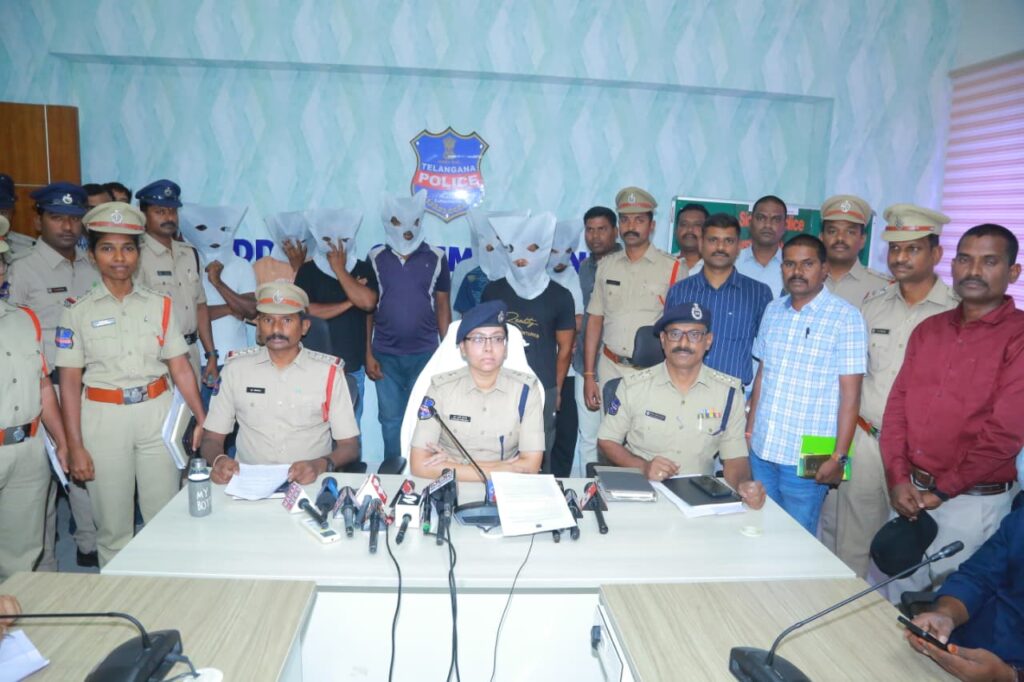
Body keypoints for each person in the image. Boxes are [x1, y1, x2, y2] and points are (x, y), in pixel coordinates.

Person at [55, 202, 206, 566]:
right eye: (108, 248)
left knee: (164, 519)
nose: (119, 258)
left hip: (157, 416)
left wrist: (202, 418)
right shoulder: (77, 310)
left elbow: (180, 366)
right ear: (92, 255)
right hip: (103, 419)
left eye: (127, 248)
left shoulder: (160, 306)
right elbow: (69, 382)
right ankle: (119, 595)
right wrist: (74, 445)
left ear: (138, 255)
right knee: (113, 529)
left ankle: (163, 592)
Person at [882, 223, 1023, 592]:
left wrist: (941, 491)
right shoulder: (929, 329)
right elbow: (896, 409)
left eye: (989, 261)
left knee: (952, 609)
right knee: (893, 603)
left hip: (970, 506)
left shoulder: (1019, 336)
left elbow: (1004, 434)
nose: (973, 270)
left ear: (1013, 272)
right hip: (909, 495)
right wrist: (898, 478)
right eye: (964, 259)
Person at [822, 204, 958, 578]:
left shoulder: (956, 312)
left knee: (914, 557)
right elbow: (847, 379)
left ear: (936, 254)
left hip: (922, 453)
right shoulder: (873, 305)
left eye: (912, 248)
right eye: (895, 248)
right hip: (866, 440)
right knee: (850, 545)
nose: (900, 257)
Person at [745, 234, 866, 533]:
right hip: (763, 447)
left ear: (824, 269)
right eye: (789, 264)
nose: (797, 271)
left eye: (807, 264)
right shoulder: (773, 310)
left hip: (809, 457)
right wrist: (750, 429)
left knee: (797, 538)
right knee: (759, 529)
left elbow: (851, 397)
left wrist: (839, 457)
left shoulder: (846, 317)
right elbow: (763, 374)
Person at [7, 182, 100, 569]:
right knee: (41, 488)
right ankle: (41, 569)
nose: (67, 226)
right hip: (46, 390)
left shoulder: (92, 266)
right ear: (37, 221)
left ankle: (89, 543)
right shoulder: (21, 270)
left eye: (74, 219)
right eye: (57, 217)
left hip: (90, 385)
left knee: (86, 466)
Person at [597, 302, 766, 508]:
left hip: (699, 497)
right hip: (642, 492)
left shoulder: (728, 393)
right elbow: (607, 440)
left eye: (694, 335)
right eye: (675, 334)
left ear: (708, 341)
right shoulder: (633, 386)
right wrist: (643, 467)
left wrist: (743, 484)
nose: (684, 343)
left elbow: (735, 458)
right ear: (663, 339)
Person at [201, 281, 360, 484]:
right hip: (249, 484)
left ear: (304, 327)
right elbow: (211, 439)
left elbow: (350, 446)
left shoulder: (328, 373)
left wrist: (321, 465)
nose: (276, 328)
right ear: (258, 326)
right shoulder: (235, 370)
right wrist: (219, 460)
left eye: (286, 320)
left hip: (309, 482)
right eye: (268, 320)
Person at [0, 224, 69, 579]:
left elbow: (44, 386)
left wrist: (61, 442)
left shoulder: (25, 319)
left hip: (28, 450)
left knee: (22, 556)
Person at [409, 301, 544, 481]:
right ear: (463, 348)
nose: (488, 348)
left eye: (497, 339)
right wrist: (502, 469)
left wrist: (453, 465)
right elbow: (419, 464)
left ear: (505, 348)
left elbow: (530, 467)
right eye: (478, 339)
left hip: (503, 489)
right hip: (451, 488)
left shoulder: (526, 391)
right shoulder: (440, 389)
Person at [481, 212, 575, 472]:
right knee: (497, 453)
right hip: (499, 385)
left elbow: (565, 348)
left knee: (540, 456)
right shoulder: (493, 291)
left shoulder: (560, 296)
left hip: (542, 386)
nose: (521, 257)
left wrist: (556, 390)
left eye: (531, 249)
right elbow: (483, 341)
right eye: (512, 249)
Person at [583, 187, 682, 421]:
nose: (631, 226)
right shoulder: (606, 266)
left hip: (653, 372)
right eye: (625, 220)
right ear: (619, 226)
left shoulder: (674, 268)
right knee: (611, 437)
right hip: (610, 368)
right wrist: (589, 374)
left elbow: (679, 329)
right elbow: (595, 320)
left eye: (639, 220)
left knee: (648, 437)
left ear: (652, 225)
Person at [366, 190, 451, 462]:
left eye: (413, 221)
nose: (406, 229)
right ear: (387, 222)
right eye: (397, 221)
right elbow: (368, 308)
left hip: (425, 354)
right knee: (390, 420)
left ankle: (421, 470)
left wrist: (447, 353)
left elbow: (443, 306)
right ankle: (393, 468)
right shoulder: (375, 257)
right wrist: (368, 353)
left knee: (424, 418)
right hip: (385, 355)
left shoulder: (437, 257)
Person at [906, 507, 1024, 680]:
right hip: (961, 644)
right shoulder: (1020, 520)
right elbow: (977, 575)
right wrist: (945, 615)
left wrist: (1010, 676)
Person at [664, 213, 772, 388]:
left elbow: (768, 354)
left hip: (733, 393)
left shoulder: (758, 293)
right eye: (713, 240)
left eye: (728, 241)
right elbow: (668, 344)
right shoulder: (679, 291)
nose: (720, 247)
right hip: (683, 390)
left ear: (739, 247)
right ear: (701, 244)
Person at [294, 208, 377, 426]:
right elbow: (306, 311)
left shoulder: (363, 268)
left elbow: (368, 304)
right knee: (313, 429)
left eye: (343, 240)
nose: (335, 246)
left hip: (351, 366)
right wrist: (351, 301)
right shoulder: (307, 271)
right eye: (328, 239)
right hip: (312, 366)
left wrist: (339, 270)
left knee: (349, 428)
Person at [134, 179, 218, 385]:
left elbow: (200, 307)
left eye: (172, 211)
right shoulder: (135, 256)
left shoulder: (190, 253)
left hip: (191, 352)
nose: (168, 217)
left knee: (192, 407)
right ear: (143, 215)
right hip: (156, 358)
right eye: (160, 212)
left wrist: (211, 355)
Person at [177, 203, 258, 417]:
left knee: (234, 424)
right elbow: (189, 315)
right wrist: (232, 308)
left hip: (236, 362)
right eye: (202, 228)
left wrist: (217, 282)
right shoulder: (184, 267)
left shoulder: (241, 266)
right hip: (194, 362)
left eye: (223, 228)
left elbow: (251, 310)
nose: (213, 235)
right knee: (198, 424)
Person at [574, 206, 621, 473]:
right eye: (590, 230)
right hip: (586, 365)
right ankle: (587, 491)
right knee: (588, 437)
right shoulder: (584, 268)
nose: (595, 236)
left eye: (602, 229)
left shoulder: (626, 265)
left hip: (619, 365)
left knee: (617, 440)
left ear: (615, 231)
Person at [547, 219, 585, 477]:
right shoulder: (533, 278)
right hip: (538, 366)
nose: (560, 258)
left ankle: (559, 484)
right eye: (553, 251)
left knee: (565, 433)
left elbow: (580, 320)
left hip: (569, 371)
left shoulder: (575, 279)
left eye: (567, 251)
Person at [819, 194, 890, 306]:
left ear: (862, 240)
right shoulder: (804, 281)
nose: (840, 238)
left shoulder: (882, 287)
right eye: (832, 231)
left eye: (850, 232)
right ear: (821, 238)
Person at [451, 210, 513, 318]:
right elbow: (459, 314)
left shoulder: (518, 271)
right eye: (484, 237)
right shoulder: (468, 271)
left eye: (498, 238)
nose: (492, 245)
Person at [736, 194, 788, 298]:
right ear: (750, 223)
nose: (768, 225)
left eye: (776, 219)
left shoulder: (793, 266)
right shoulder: (733, 262)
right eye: (761, 218)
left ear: (785, 227)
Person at [674, 202, 707, 274]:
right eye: (684, 224)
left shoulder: (715, 267)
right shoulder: (663, 264)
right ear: (676, 231)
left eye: (697, 225)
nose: (690, 229)